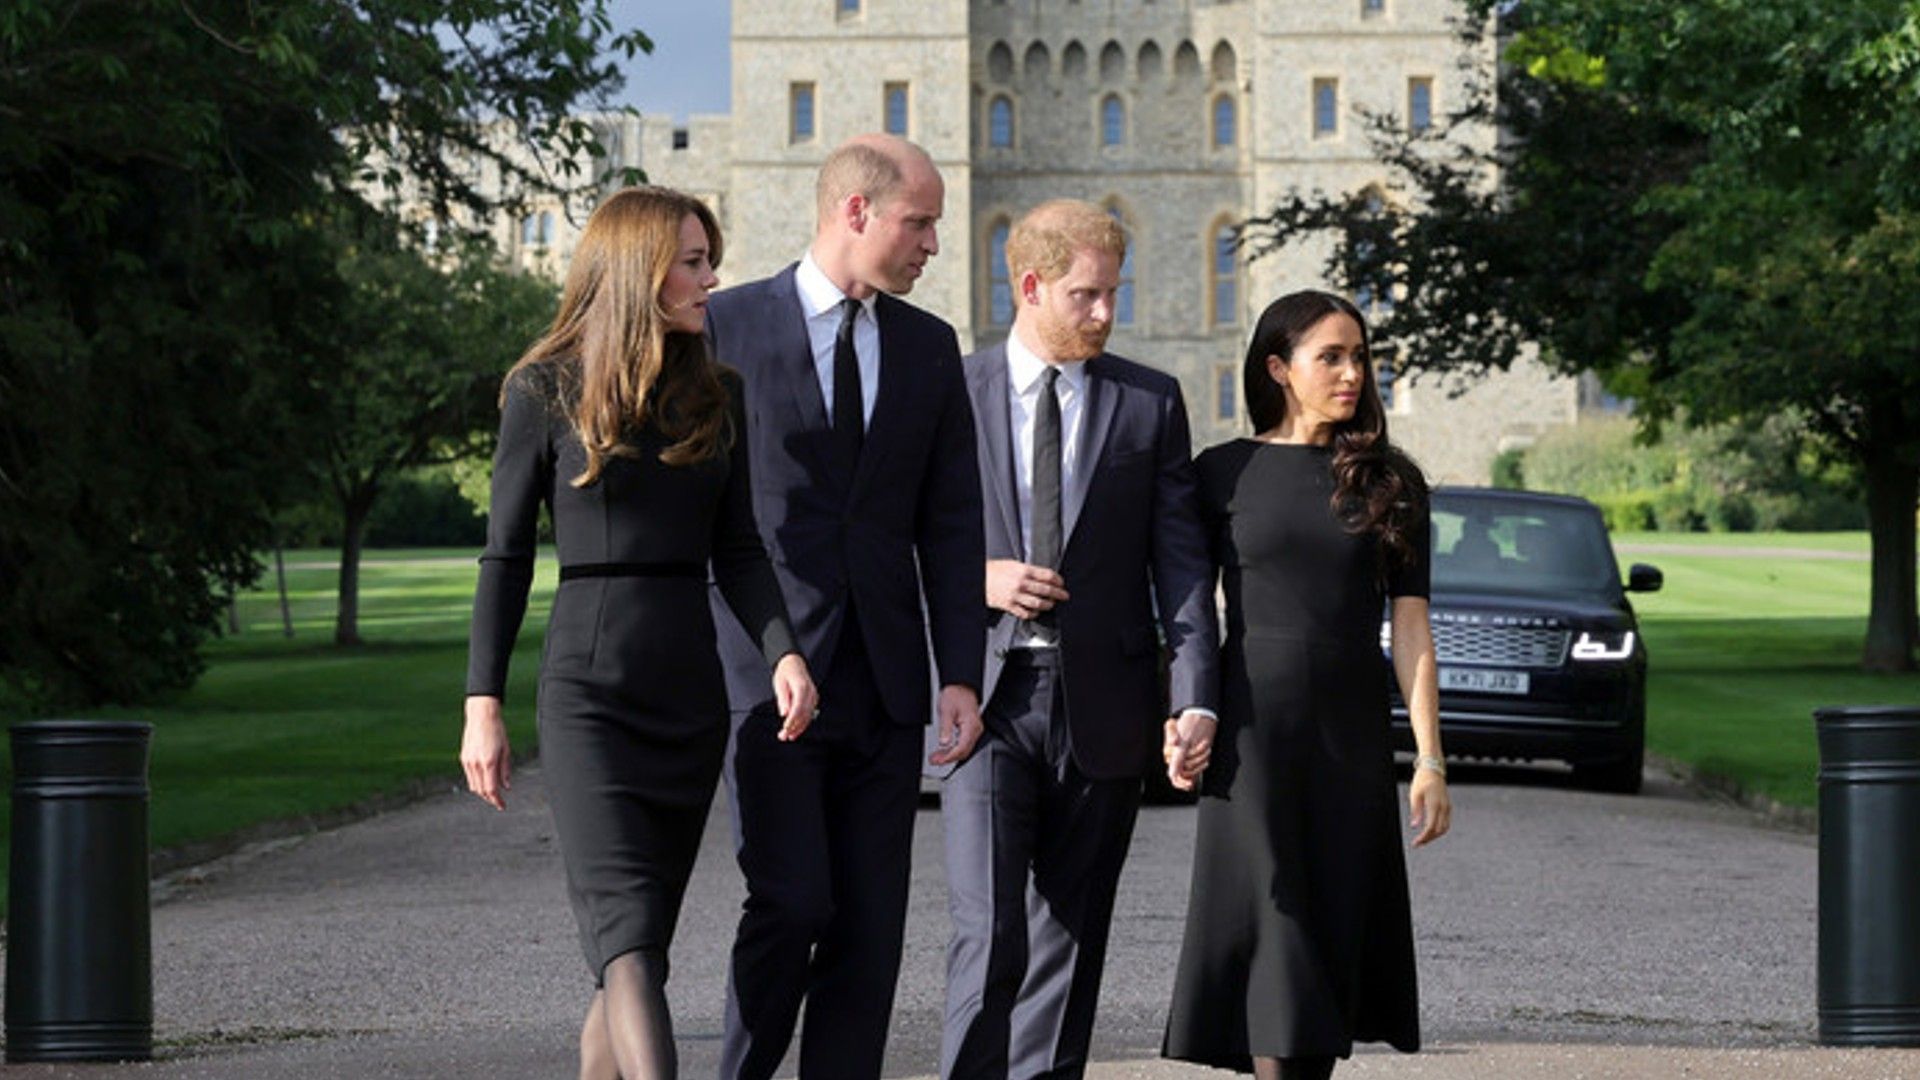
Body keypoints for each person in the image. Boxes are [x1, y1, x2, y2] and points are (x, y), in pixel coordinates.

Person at [459, 186, 817, 1080]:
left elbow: (739, 549)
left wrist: (783, 651)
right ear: (638, 270)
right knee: (621, 934)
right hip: (589, 696)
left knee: (638, 947)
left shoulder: (716, 392)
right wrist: (482, 702)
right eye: (692, 262)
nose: (710, 278)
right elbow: (504, 558)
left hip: (687, 697)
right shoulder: (541, 389)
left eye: (708, 259)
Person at [704, 133, 987, 1080]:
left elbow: (951, 525)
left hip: (888, 685)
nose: (933, 246)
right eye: (921, 222)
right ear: (855, 212)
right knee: (790, 905)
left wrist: (958, 673)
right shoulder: (726, 327)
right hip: (769, 676)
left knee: (869, 932)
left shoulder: (929, 346)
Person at [939, 199, 1220, 1079]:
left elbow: (1181, 568)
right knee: (988, 931)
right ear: (1028, 285)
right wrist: (977, 577)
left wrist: (1195, 696)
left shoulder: (1150, 403)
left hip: (1105, 705)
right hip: (984, 699)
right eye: (1086, 295)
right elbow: (892, 543)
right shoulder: (951, 393)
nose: (1106, 314)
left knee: (1070, 936)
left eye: (1113, 294)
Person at [1162, 290, 1452, 1080]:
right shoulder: (1220, 473)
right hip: (1251, 733)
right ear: (1279, 368)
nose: (1352, 373)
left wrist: (1429, 758)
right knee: (1275, 921)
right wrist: (1181, 713)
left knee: (1326, 928)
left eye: (1360, 356)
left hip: (1350, 735)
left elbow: (1414, 630)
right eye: (1332, 356)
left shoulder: (1392, 482)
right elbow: (1184, 607)